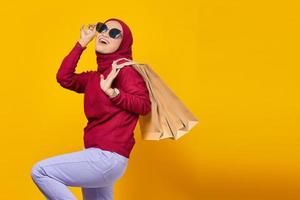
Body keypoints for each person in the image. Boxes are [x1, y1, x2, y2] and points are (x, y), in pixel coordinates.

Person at [31, 18, 151, 200]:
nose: (104, 33)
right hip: (97, 156)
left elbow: (144, 105)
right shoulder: (95, 77)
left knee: (41, 172)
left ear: (123, 44)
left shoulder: (125, 71)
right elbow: (65, 78)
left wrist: (113, 93)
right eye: (103, 28)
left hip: (107, 157)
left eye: (114, 33)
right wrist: (81, 43)